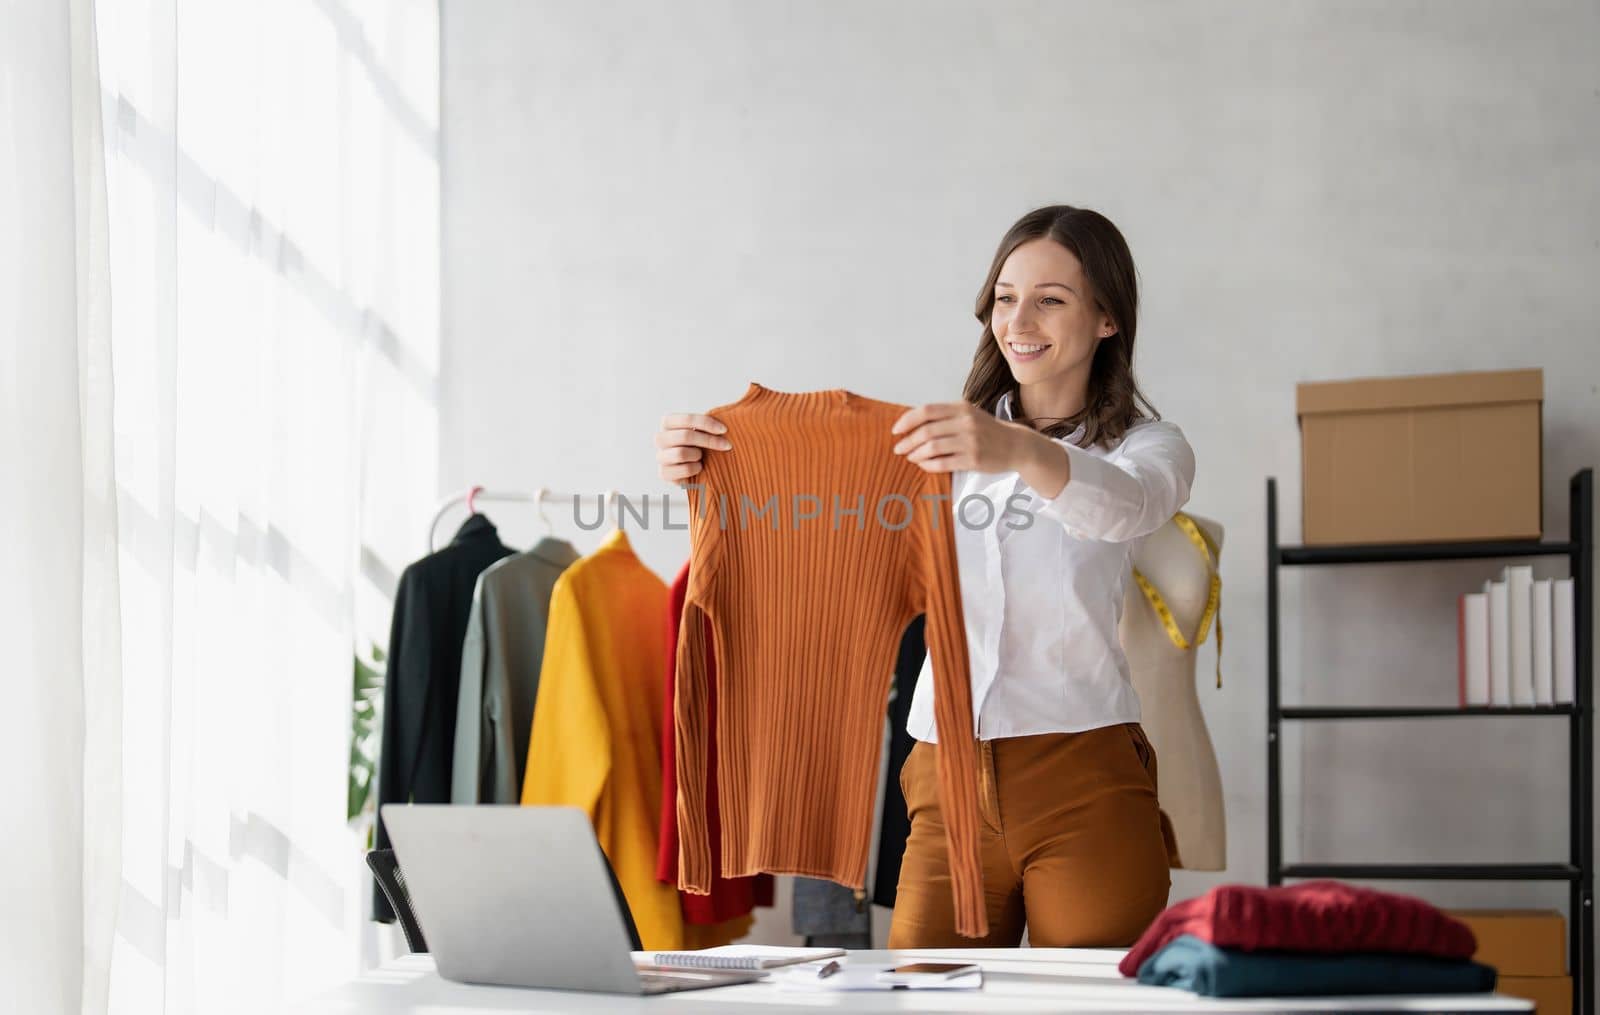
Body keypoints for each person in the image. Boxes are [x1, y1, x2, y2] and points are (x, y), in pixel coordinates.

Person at [653, 204, 1195, 948]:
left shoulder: (1147, 446)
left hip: (1085, 776)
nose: (1020, 319)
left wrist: (1013, 451)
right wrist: (706, 465)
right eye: (1006, 296)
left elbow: (1127, 507)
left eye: (1051, 298)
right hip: (944, 780)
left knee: (1090, 1004)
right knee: (922, 995)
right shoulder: (933, 447)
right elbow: (815, 532)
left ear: (1107, 318)